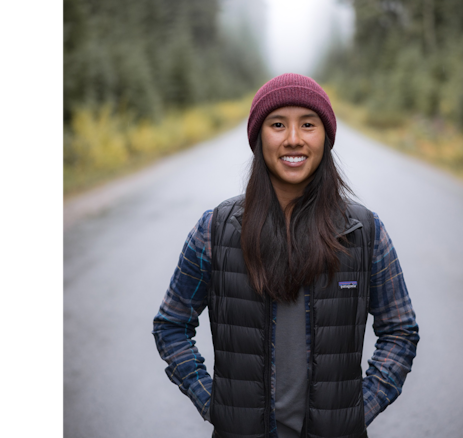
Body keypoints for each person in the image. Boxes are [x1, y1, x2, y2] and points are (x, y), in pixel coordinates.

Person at [153, 73, 419, 438]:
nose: (293, 139)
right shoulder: (215, 230)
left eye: (308, 124)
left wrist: (357, 410)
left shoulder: (363, 233)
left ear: (325, 137)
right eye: (277, 124)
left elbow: (400, 331)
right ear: (258, 137)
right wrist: (214, 403)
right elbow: (171, 325)